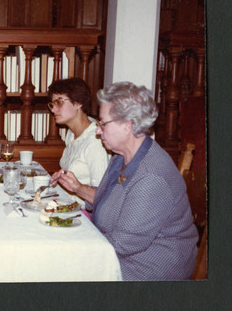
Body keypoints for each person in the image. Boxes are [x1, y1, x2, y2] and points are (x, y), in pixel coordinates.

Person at [54, 81, 198, 280]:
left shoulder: (150, 177)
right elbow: (110, 201)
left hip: (149, 267)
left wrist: (72, 246)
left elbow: (121, 244)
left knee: (58, 268)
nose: (97, 130)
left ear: (127, 125)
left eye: (103, 124)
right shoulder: (121, 157)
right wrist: (78, 188)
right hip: (123, 252)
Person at [48, 78, 110, 207]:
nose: (53, 110)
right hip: (67, 203)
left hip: (85, 213)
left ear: (78, 103)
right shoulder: (71, 133)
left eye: (59, 102)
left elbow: (102, 196)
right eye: (52, 104)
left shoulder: (95, 141)